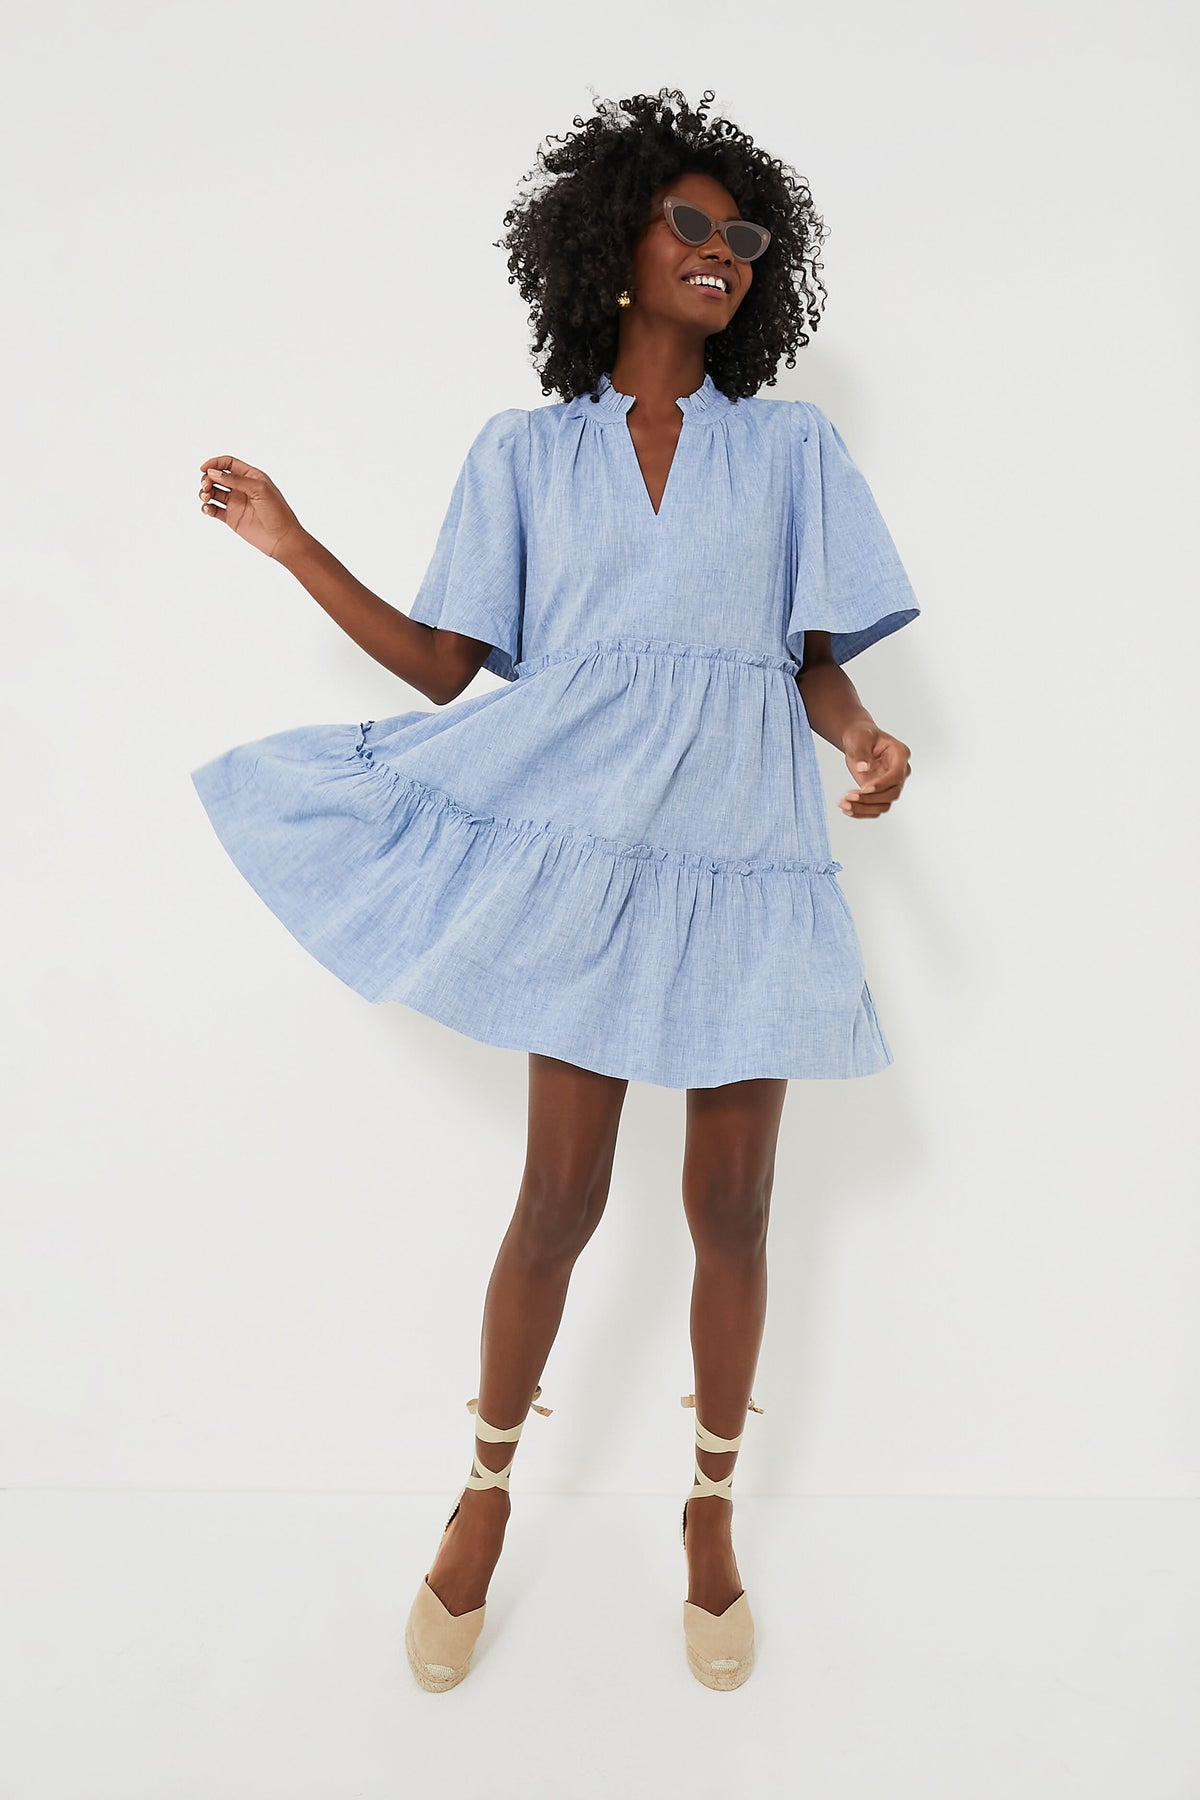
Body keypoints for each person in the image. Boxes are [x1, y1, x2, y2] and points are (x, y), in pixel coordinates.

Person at [190, 85, 921, 1694]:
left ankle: (711, 1516)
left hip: (742, 857)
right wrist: (300, 545)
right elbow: (452, 670)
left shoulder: (792, 449)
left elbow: (807, 669)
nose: (721, 252)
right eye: (689, 225)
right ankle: (485, 1491)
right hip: (583, 852)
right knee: (563, 1201)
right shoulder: (525, 452)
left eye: (743, 235)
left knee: (731, 1208)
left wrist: (862, 737)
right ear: (614, 249)